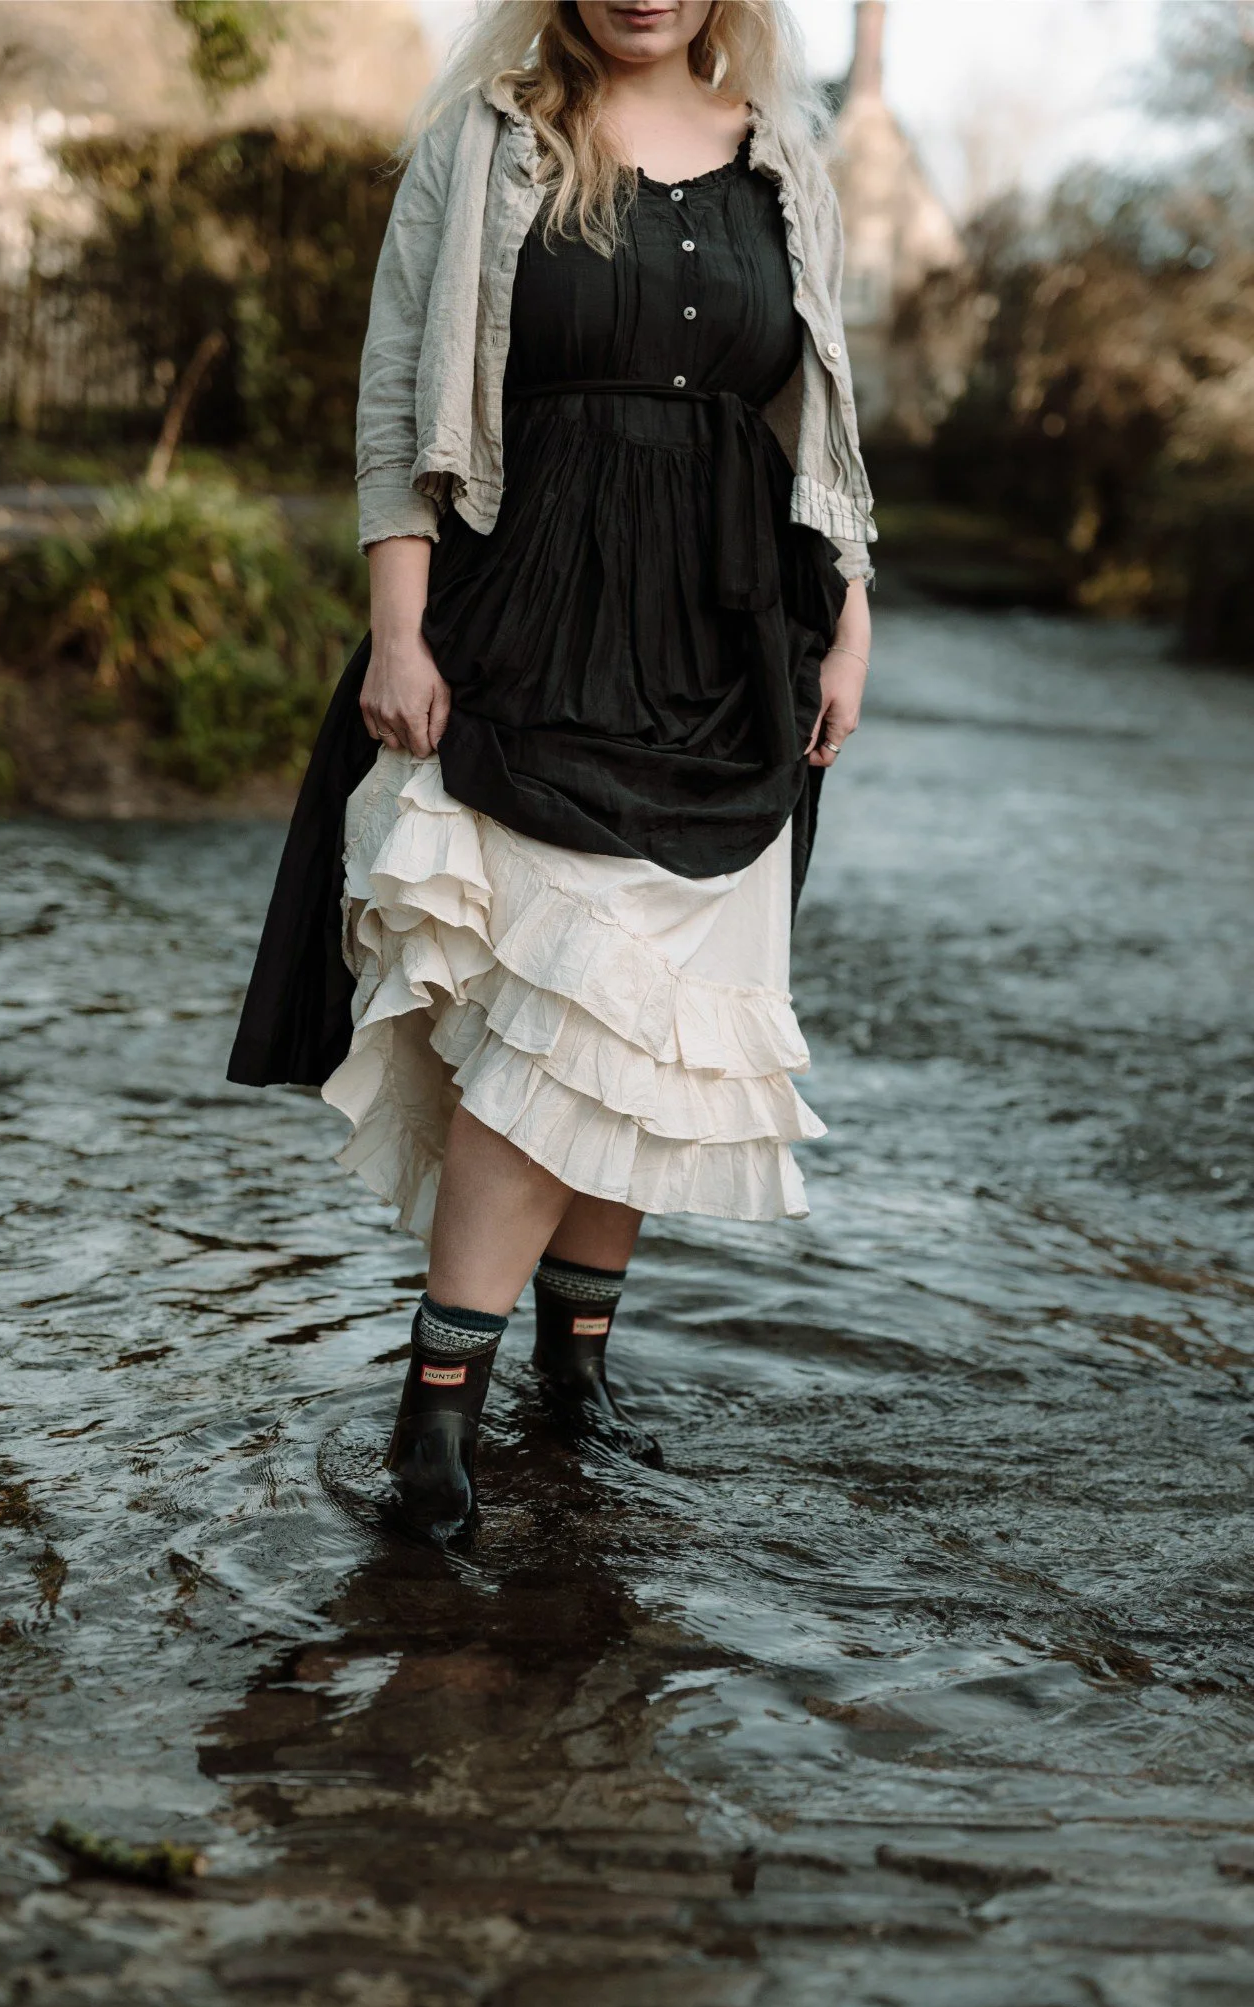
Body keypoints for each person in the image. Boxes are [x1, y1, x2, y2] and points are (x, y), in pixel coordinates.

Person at [228, 0, 875, 1543]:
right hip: (526, 613)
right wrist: (400, 631)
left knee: (648, 1032)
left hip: (733, 640)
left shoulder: (788, 155)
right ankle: (437, 1412)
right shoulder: (487, 141)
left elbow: (825, 420)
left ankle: (573, 1380)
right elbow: (400, 400)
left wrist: (852, 624)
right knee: (547, 1024)